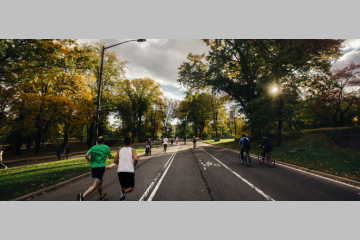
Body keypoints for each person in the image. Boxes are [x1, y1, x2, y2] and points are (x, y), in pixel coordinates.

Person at [77, 136, 113, 201]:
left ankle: (101, 196)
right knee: (95, 185)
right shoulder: (106, 147)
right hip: (100, 167)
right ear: (103, 141)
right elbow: (110, 157)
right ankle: (82, 196)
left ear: (97, 141)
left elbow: (86, 155)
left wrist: (90, 161)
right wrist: (110, 155)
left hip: (94, 167)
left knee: (100, 181)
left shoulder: (93, 147)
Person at [114, 137, 138, 201]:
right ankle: (124, 192)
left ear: (124, 142)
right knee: (130, 188)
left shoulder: (120, 150)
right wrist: (135, 164)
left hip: (120, 171)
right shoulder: (133, 150)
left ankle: (123, 198)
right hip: (129, 171)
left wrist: (119, 163)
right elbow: (135, 159)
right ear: (130, 142)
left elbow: (115, 160)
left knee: (123, 186)